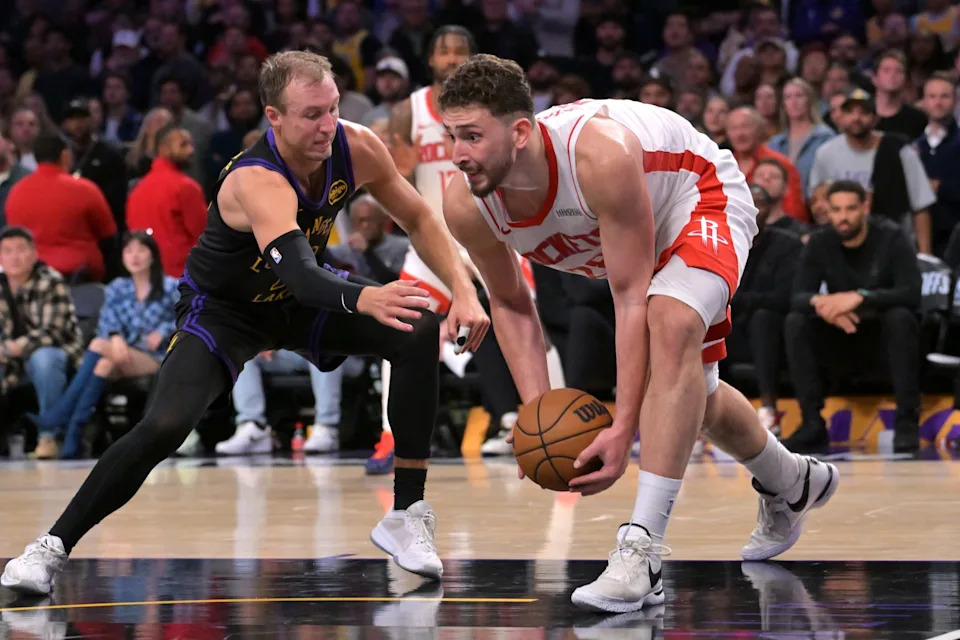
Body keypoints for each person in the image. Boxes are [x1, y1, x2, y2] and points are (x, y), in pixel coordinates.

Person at [1, 50, 488, 595]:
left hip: (297, 303)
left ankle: (407, 512)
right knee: (164, 426)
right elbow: (303, 275)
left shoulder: (354, 144)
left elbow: (421, 216)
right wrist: (366, 295)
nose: (327, 125)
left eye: (331, 108)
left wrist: (463, 290)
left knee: (416, 326)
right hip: (225, 312)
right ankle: (49, 547)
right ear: (273, 117)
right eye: (311, 114)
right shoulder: (257, 179)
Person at [438, 54, 839, 613]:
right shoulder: (465, 201)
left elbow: (629, 298)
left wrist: (623, 428)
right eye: (451, 135)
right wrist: (539, 420)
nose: (459, 154)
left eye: (473, 136)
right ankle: (791, 480)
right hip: (632, 232)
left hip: (698, 195)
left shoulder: (598, 157)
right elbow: (510, 302)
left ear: (521, 132)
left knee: (669, 325)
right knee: (692, 393)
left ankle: (641, 552)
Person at [784, 180, 922, 455]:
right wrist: (825, 304)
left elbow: (911, 292)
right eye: (836, 210)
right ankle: (812, 424)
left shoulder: (891, 237)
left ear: (865, 207)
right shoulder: (821, 241)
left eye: (850, 209)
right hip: (840, 335)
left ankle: (907, 423)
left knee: (901, 317)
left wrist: (862, 297)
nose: (843, 217)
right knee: (795, 321)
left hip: (883, 338)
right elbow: (799, 295)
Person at [28, 231, 179, 459]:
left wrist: (164, 330)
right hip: (120, 354)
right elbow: (107, 321)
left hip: (157, 357)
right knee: (103, 365)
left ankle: (59, 415)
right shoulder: (117, 287)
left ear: (153, 255)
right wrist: (116, 337)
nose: (134, 256)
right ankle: (73, 440)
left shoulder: (171, 287)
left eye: (141, 250)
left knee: (99, 345)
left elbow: (188, 318)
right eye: (128, 251)